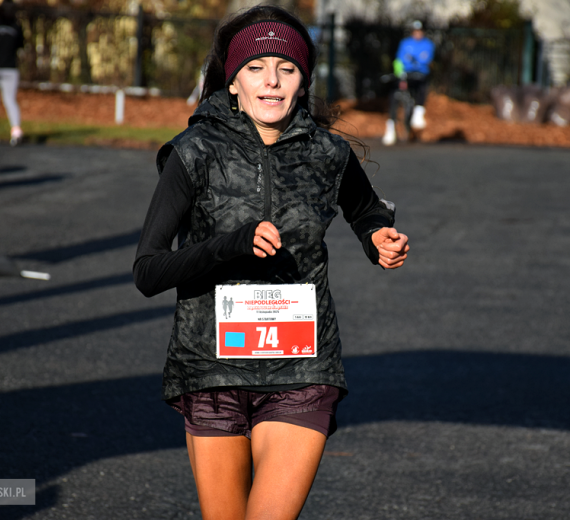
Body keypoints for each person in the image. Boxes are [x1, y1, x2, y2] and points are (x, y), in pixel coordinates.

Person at [133, 5, 409, 519]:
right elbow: (147, 272)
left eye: (287, 68)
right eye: (255, 68)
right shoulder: (193, 152)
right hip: (212, 369)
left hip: (303, 367)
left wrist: (379, 240)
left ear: (303, 82)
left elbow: (366, 211)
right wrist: (230, 244)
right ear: (232, 82)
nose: (272, 81)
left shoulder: (329, 153)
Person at [382, 19, 435, 146]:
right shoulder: (405, 43)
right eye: (415, 31)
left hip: (420, 75)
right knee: (394, 95)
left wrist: (412, 59)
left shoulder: (427, 44)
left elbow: (425, 60)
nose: (417, 33)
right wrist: (400, 73)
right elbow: (400, 60)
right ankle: (391, 126)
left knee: (422, 87)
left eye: (419, 31)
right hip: (406, 74)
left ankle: (418, 112)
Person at [0, 0, 24, 146]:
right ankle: (16, 130)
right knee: (10, 100)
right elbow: (20, 47)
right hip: (10, 68)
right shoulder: (16, 28)